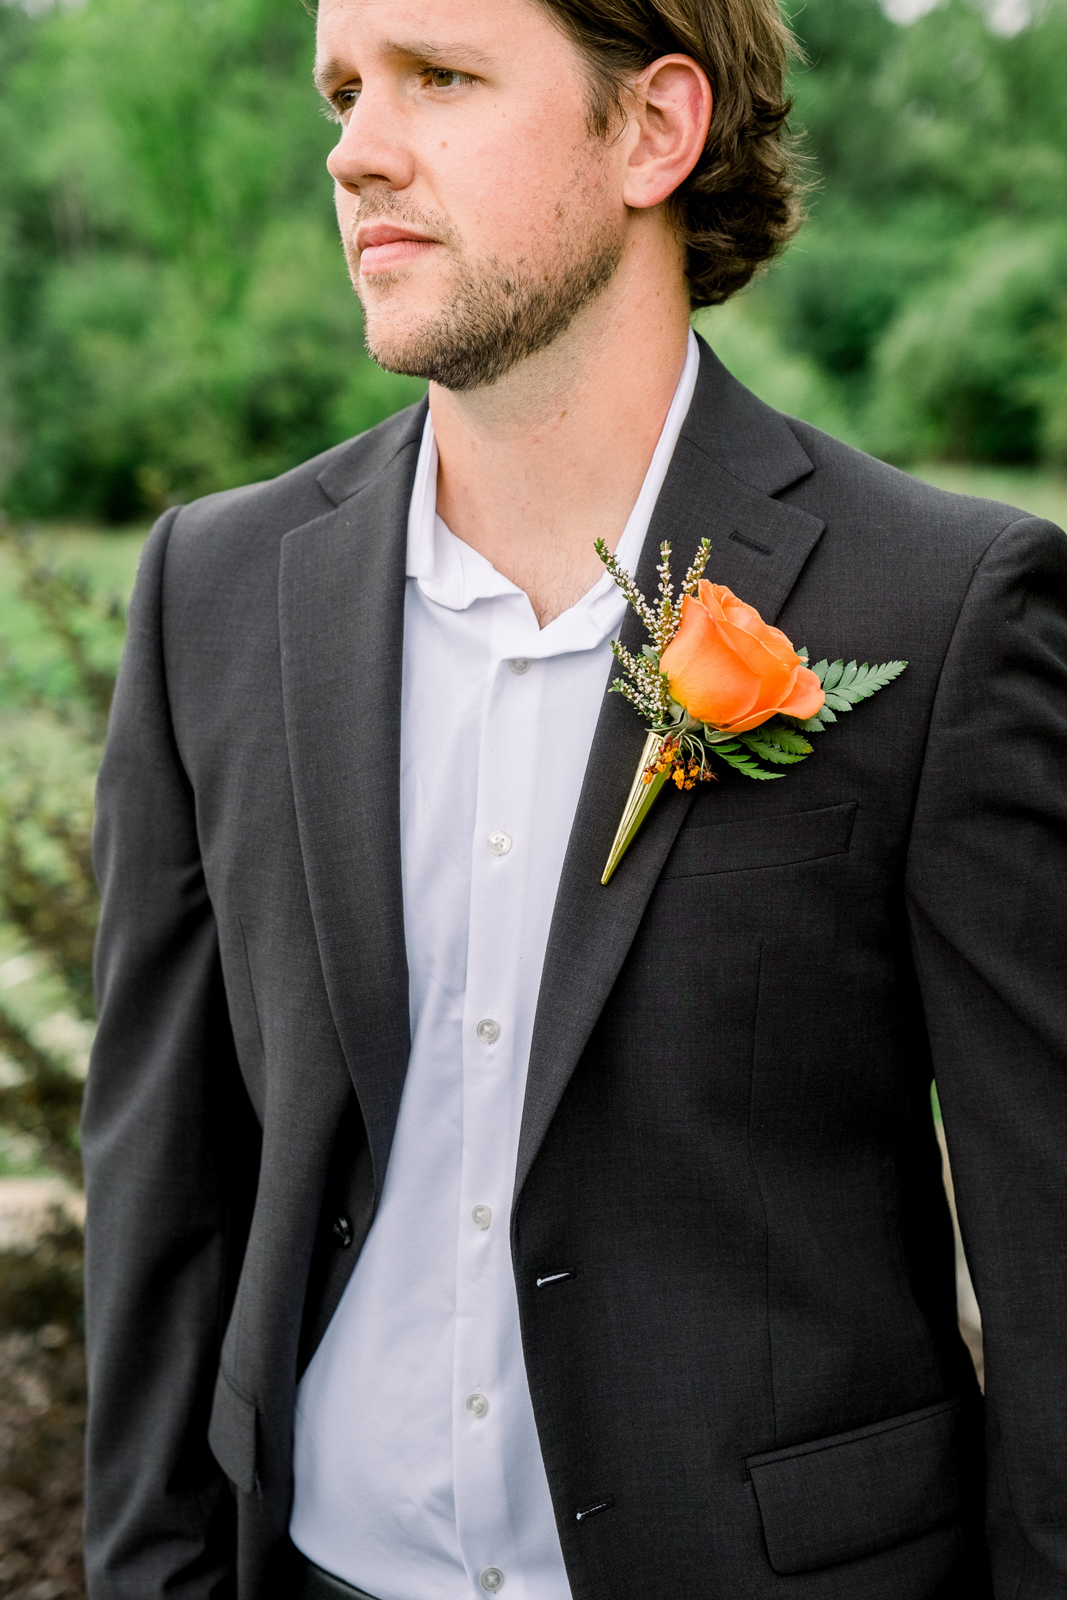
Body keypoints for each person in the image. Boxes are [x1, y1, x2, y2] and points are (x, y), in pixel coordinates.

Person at [81, 0, 1067, 1594]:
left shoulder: (943, 611)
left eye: (441, 78)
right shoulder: (215, 591)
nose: (354, 149)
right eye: (343, 89)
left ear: (653, 130)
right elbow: (160, 1187)